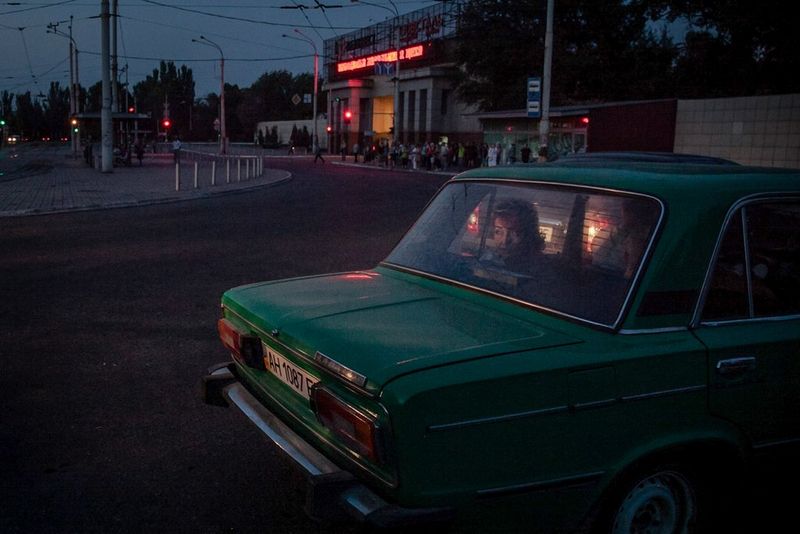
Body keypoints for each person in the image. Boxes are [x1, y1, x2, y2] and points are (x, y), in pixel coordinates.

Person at [591, 198, 652, 278]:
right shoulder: (611, 232)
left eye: (628, 212)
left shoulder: (646, 237)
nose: (623, 214)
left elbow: (631, 268)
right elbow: (597, 259)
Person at [483, 199, 545, 272]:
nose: (505, 240)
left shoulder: (540, 269)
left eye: (514, 233)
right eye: (498, 231)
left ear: (529, 235)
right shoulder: (486, 261)